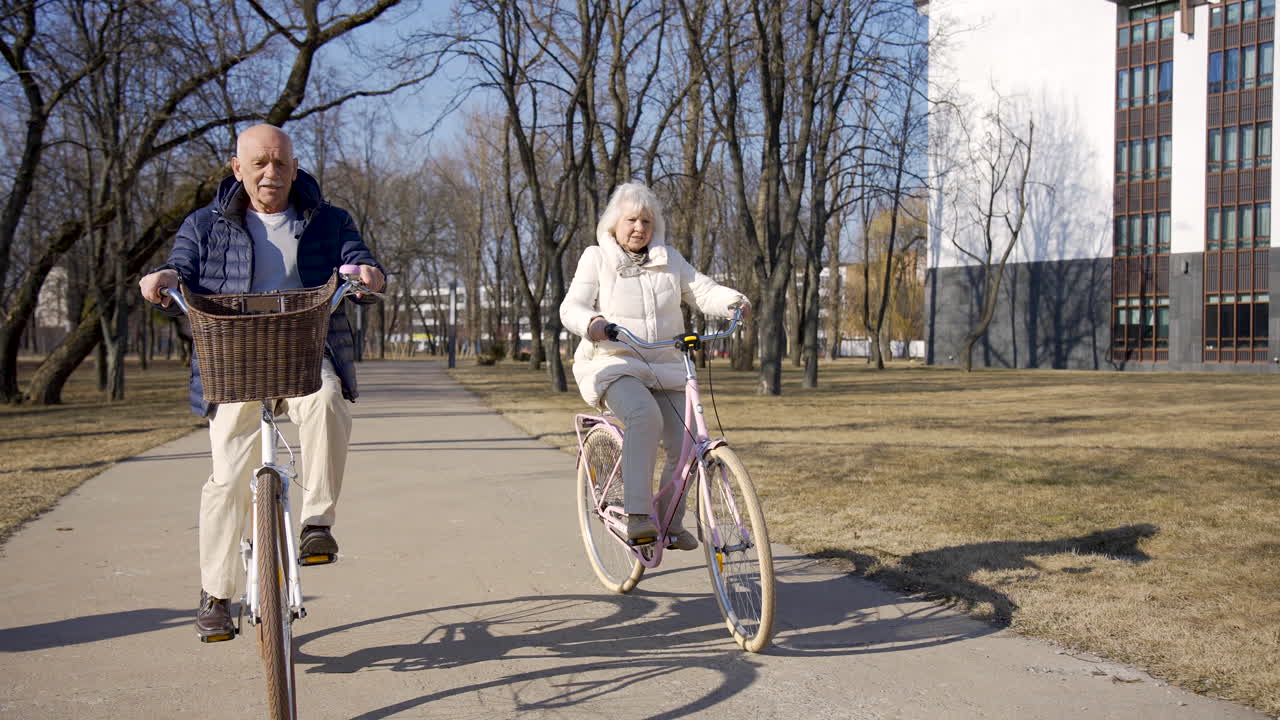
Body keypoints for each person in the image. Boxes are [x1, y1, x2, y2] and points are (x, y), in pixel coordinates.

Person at [138, 124, 385, 641]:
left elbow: (358, 259)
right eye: (259, 163)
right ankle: (217, 594)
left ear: (295, 168)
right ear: (238, 168)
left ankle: (316, 525)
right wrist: (163, 277)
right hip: (233, 362)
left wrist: (366, 274)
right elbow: (179, 265)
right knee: (227, 479)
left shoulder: (328, 219)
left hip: (303, 352)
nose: (271, 173)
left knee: (327, 400)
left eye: (280, 163)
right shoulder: (205, 224)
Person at [560, 182, 749, 549]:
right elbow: (572, 307)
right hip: (614, 363)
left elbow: (703, 291)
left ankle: (668, 520)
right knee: (644, 416)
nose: (639, 228)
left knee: (689, 442)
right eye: (631, 219)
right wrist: (594, 324)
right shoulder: (596, 258)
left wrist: (735, 301)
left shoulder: (669, 260)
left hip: (665, 365)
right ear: (614, 223)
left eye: (647, 221)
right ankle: (637, 515)